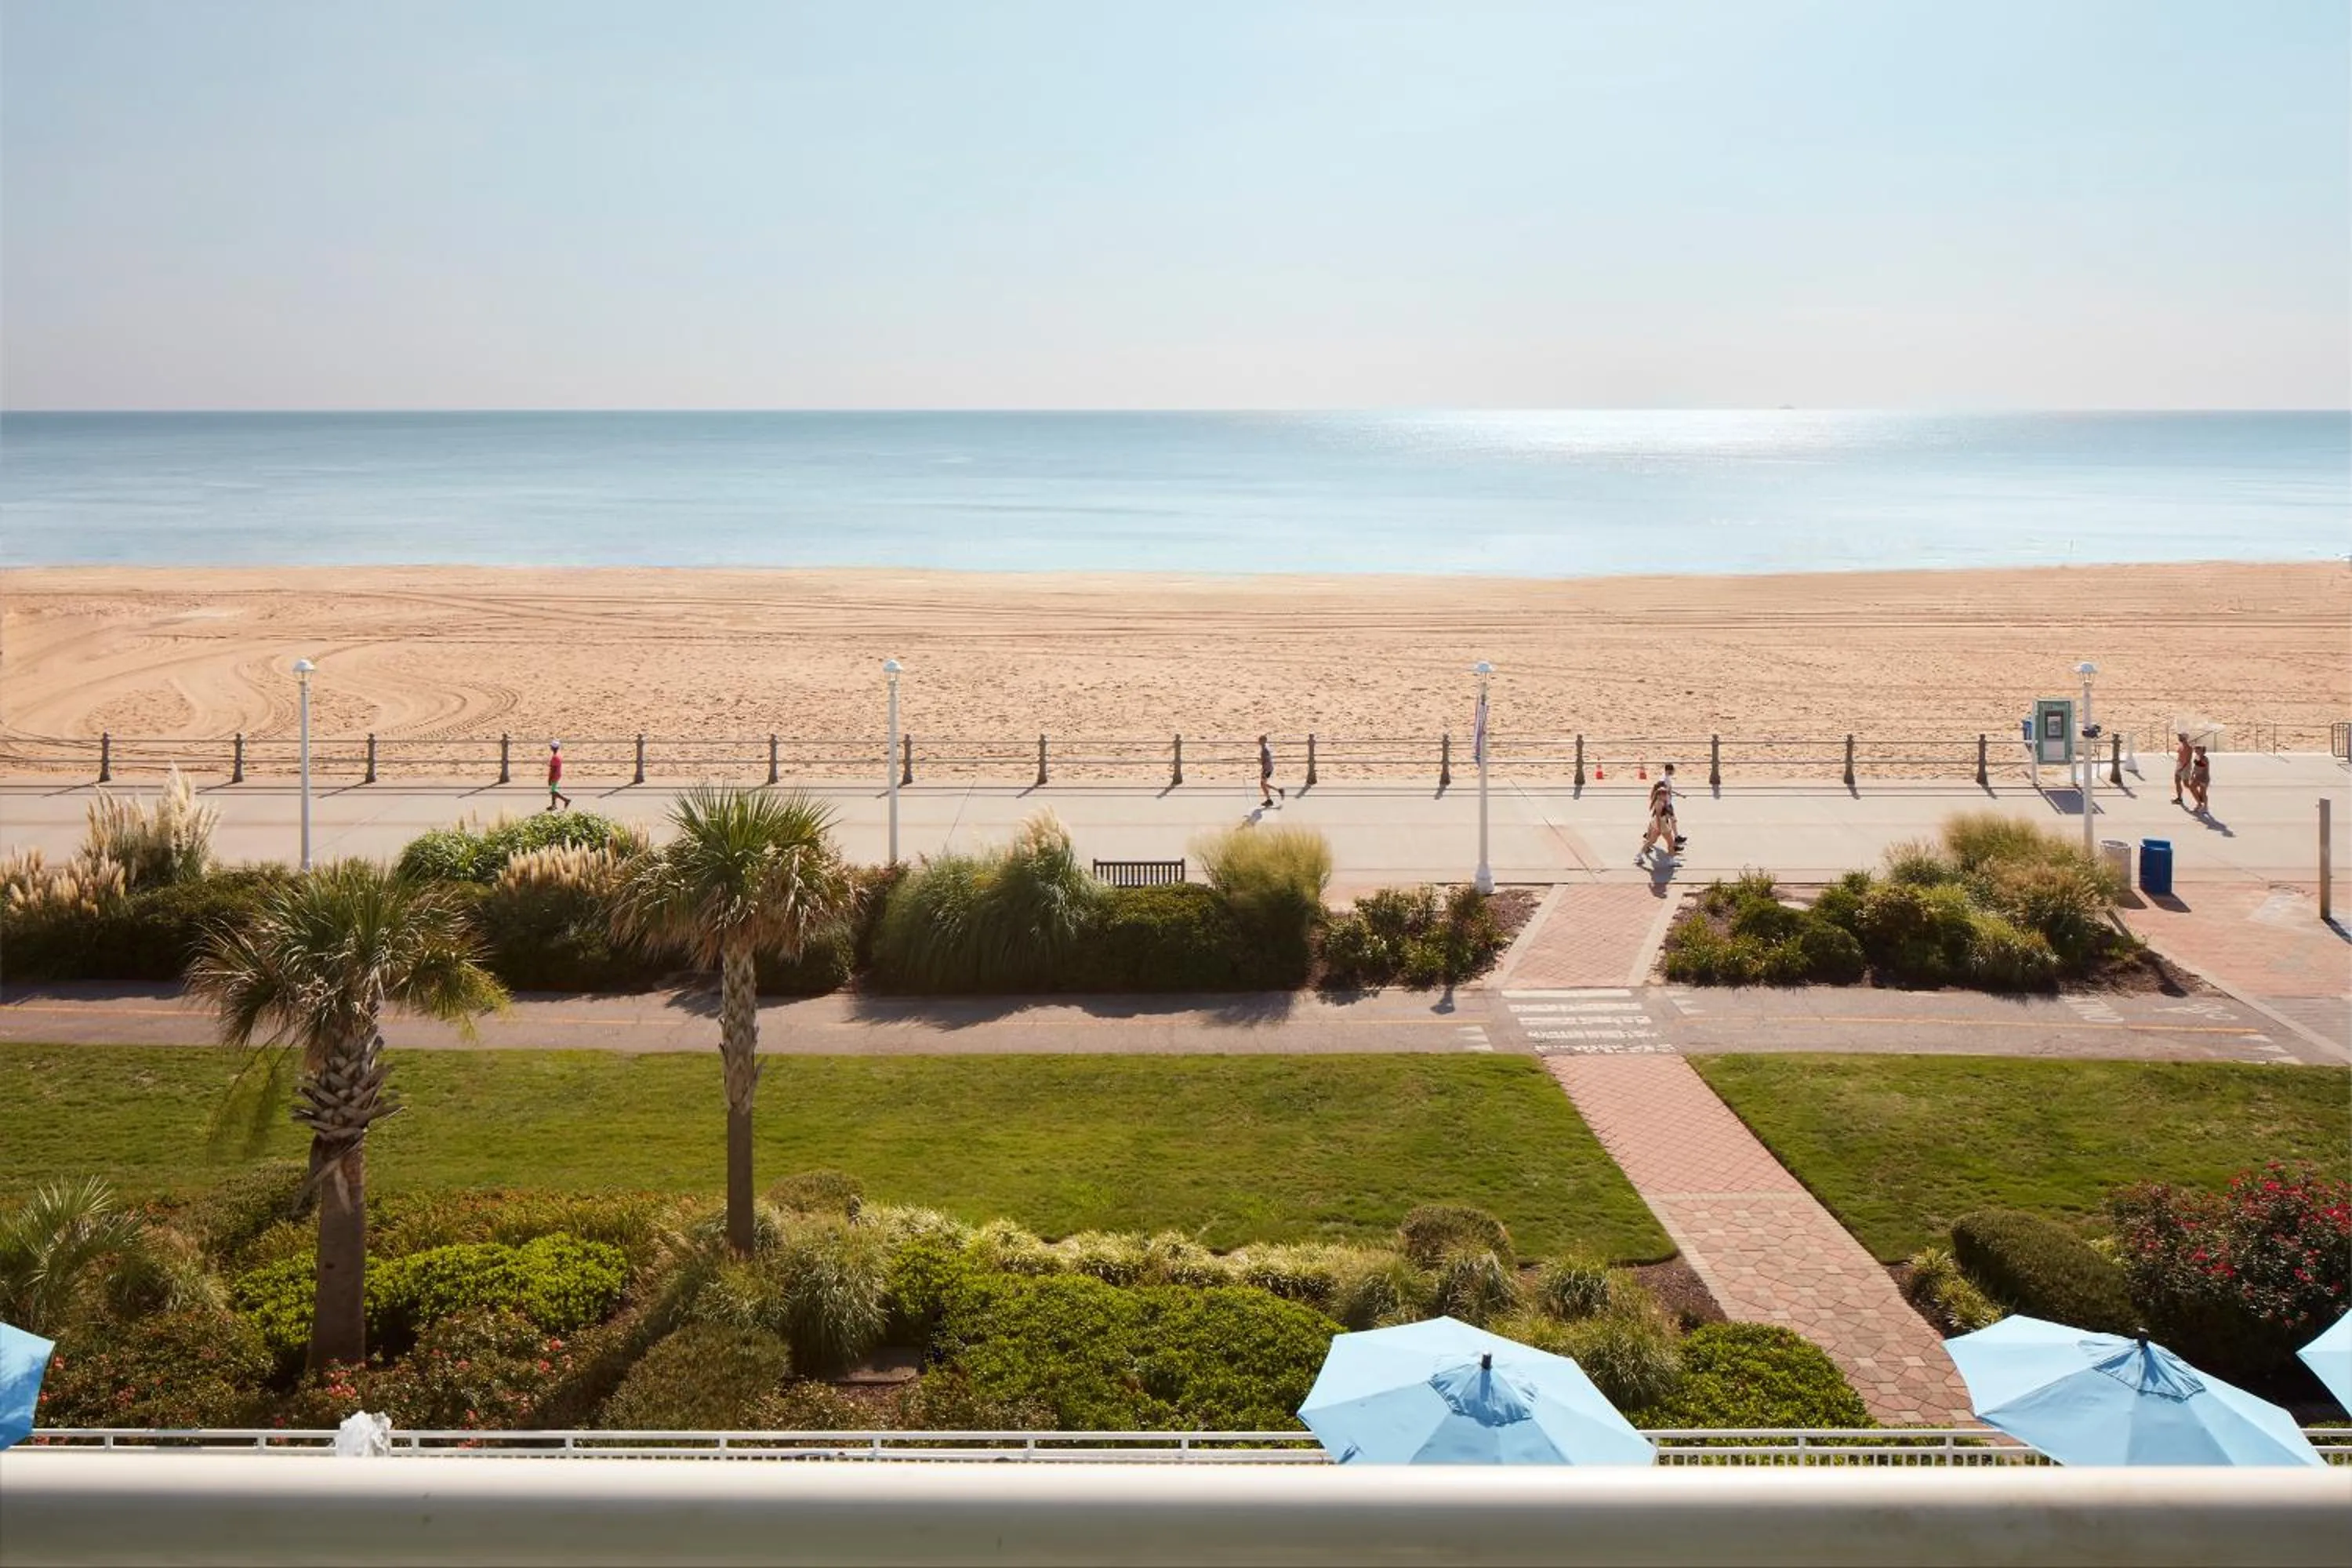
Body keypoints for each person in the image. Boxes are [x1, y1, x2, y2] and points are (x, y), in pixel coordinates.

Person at [1638, 763, 1685, 862]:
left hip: (1660, 823)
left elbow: (1668, 792)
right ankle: (1672, 861)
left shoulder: (1661, 800)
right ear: (1660, 795)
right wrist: (1660, 826)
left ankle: (1639, 855)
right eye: (1665, 794)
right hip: (1661, 824)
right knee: (1670, 842)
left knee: (1652, 841)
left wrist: (1679, 795)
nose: (1667, 795)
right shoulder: (1660, 802)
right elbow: (1659, 816)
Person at [1259, 734, 1284, 808]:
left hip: (1267, 769)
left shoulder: (1264, 750)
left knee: (1263, 784)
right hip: (1268, 768)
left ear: (1264, 741)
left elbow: (1265, 760)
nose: (1258, 742)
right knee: (1263, 784)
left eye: (1260, 740)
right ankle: (1270, 799)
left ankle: (1275, 794)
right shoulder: (1266, 746)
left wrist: (1264, 769)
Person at [546, 740, 572, 812]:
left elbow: (553, 769)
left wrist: (550, 778)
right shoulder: (558, 755)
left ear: (553, 748)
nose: (550, 747)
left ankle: (566, 800)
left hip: (555, 775)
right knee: (553, 790)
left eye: (551, 747)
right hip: (558, 774)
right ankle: (554, 805)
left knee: (553, 791)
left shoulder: (555, 757)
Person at [2172, 732, 2193, 806]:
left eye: (2180, 736)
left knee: (2186, 784)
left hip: (2185, 767)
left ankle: (2197, 794)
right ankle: (2179, 798)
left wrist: (2182, 768)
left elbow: (2188, 760)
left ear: (2184, 737)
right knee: (2177, 781)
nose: (2178, 737)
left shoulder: (2189, 747)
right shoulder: (2181, 745)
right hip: (2179, 765)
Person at [2189, 746, 2210, 814]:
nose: (2196, 751)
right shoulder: (2197, 757)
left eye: (2198, 750)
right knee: (2192, 787)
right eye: (2196, 750)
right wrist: (2192, 775)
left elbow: (2203, 770)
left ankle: (2205, 807)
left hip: (2204, 777)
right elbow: (2195, 766)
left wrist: (2202, 780)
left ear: (2203, 752)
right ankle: (2199, 804)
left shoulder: (2205, 759)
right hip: (2197, 777)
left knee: (2203, 793)